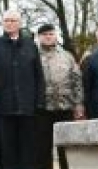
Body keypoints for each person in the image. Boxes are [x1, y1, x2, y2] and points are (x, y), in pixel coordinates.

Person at [0, 11, 43, 169]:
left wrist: (39, 101)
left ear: (19, 23)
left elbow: (39, 76)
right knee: (7, 151)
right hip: (4, 107)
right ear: (2, 23)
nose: (9, 23)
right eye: (6, 20)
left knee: (28, 150)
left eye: (13, 20)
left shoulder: (31, 46)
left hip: (27, 108)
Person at [33, 24, 81, 169]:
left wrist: (79, 104)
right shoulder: (33, 55)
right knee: (41, 149)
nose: (48, 37)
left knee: (66, 148)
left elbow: (77, 80)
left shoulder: (67, 56)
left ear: (56, 36)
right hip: (42, 109)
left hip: (65, 107)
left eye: (51, 34)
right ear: (39, 37)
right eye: (45, 34)